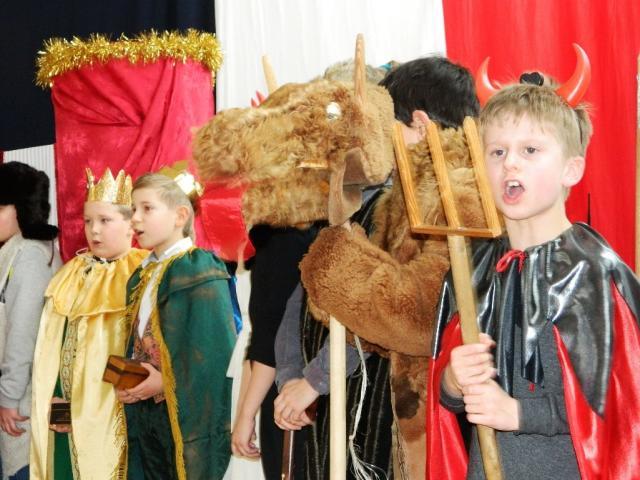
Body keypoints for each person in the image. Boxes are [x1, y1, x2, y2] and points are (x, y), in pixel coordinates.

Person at [429, 62, 640, 478]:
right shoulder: (472, 269)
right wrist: (452, 382)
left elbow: (619, 411)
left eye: (530, 150)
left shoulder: (594, 274)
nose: (511, 163)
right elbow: (450, 406)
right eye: (498, 152)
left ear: (571, 169)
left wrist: (519, 413)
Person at [277, 56, 480, 479]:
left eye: (385, 125)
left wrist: (337, 258)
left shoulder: (456, 194)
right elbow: (317, 304)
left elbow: (417, 314)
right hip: (376, 407)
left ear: (419, 124)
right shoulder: (399, 195)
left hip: (421, 414)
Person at [117, 170, 236, 479]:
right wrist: (129, 381)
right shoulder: (142, 274)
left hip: (184, 414)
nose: (135, 219)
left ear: (180, 216)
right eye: (133, 209)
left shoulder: (197, 267)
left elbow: (213, 353)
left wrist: (164, 382)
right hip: (148, 417)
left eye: (147, 208)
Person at [30, 168, 146, 479]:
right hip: (66, 418)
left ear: (131, 224)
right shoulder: (72, 273)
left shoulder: (142, 274)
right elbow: (56, 347)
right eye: (88, 221)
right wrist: (58, 405)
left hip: (116, 418)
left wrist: (92, 411)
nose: (94, 230)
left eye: (105, 220)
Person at [0, 162, 61, 480]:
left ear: (23, 209)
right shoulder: (20, 250)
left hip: (22, 404)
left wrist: (8, 398)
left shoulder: (28, 255)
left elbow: (22, 333)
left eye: (0, 208)